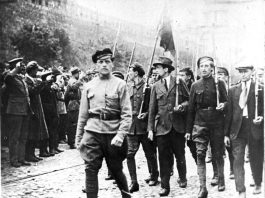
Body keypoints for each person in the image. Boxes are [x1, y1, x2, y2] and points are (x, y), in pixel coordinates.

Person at [75, 48, 132, 198]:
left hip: (113, 135)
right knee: (90, 169)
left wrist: (121, 135)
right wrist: (79, 138)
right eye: (100, 62)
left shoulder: (120, 85)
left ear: (112, 64)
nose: (104, 65)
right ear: (96, 65)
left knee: (116, 169)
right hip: (92, 134)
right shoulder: (88, 86)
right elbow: (82, 115)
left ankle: (126, 195)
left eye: (107, 61)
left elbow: (127, 114)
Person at [186, 56, 227, 198]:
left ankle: (220, 178)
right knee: (200, 154)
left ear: (212, 68)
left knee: (217, 153)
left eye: (206, 66)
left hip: (216, 123)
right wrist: (188, 130)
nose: (203, 68)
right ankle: (202, 187)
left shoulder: (219, 83)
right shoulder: (195, 85)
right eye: (201, 66)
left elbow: (227, 102)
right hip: (200, 124)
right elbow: (191, 109)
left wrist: (224, 105)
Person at [148, 57, 189, 196]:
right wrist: (150, 129)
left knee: (180, 154)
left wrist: (182, 106)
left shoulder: (179, 82)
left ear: (166, 69)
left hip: (177, 126)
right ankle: (165, 185)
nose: (156, 70)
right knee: (163, 157)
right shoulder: (155, 86)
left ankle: (182, 178)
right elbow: (152, 109)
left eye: (158, 67)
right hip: (162, 127)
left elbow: (189, 101)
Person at [224, 65, 264, 198]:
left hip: (254, 127)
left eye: (245, 71)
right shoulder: (233, 90)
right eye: (240, 72)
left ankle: (257, 182)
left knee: (255, 157)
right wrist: (226, 134)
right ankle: (241, 190)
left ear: (252, 72)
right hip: (237, 129)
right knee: (237, 160)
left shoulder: (260, 88)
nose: (243, 74)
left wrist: (262, 118)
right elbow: (229, 114)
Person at [126, 63, 159, 193]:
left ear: (136, 73)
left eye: (130, 71)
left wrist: (145, 114)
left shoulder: (148, 88)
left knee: (149, 153)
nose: (128, 73)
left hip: (144, 127)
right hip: (131, 127)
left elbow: (153, 109)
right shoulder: (127, 88)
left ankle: (154, 175)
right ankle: (133, 182)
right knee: (129, 155)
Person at [4, 58, 31, 167]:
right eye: (21, 65)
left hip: (24, 110)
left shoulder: (20, 78)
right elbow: (8, 77)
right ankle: (13, 160)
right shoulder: (10, 76)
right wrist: (16, 69)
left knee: (23, 136)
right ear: (15, 66)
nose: (23, 67)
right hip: (15, 111)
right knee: (14, 136)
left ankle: (21, 158)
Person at [25, 61, 50, 162]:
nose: (37, 72)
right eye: (36, 70)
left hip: (37, 108)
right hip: (32, 109)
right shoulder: (27, 80)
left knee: (35, 131)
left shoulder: (32, 79)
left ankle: (31, 154)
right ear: (32, 70)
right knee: (31, 132)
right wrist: (43, 83)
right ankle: (29, 155)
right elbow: (33, 91)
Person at [217, 67, 234, 179]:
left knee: (230, 146)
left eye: (222, 74)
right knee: (218, 147)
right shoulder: (215, 88)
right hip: (218, 120)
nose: (219, 76)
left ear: (227, 77)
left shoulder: (233, 89)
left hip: (230, 120)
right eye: (217, 74)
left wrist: (225, 105)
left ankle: (232, 169)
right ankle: (219, 174)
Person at [179, 67, 197, 164]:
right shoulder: (177, 86)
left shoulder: (194, 86)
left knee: (192, 145)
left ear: (189, 77)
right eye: (179, 75)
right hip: (180, 121)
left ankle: (199, 166)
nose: (180, 77)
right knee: (178, 148)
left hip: (192, 121)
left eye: (182, 75)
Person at [65, 66, 82, 149]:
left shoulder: (74, 80)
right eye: (78, 73)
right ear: (75, 73)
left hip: (75, 104)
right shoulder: (72, 81)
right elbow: (74, 87)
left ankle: (73, 141)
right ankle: (72, 142)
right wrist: (80, 80)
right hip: (73, 105)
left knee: (75, 123)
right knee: (73, 124)